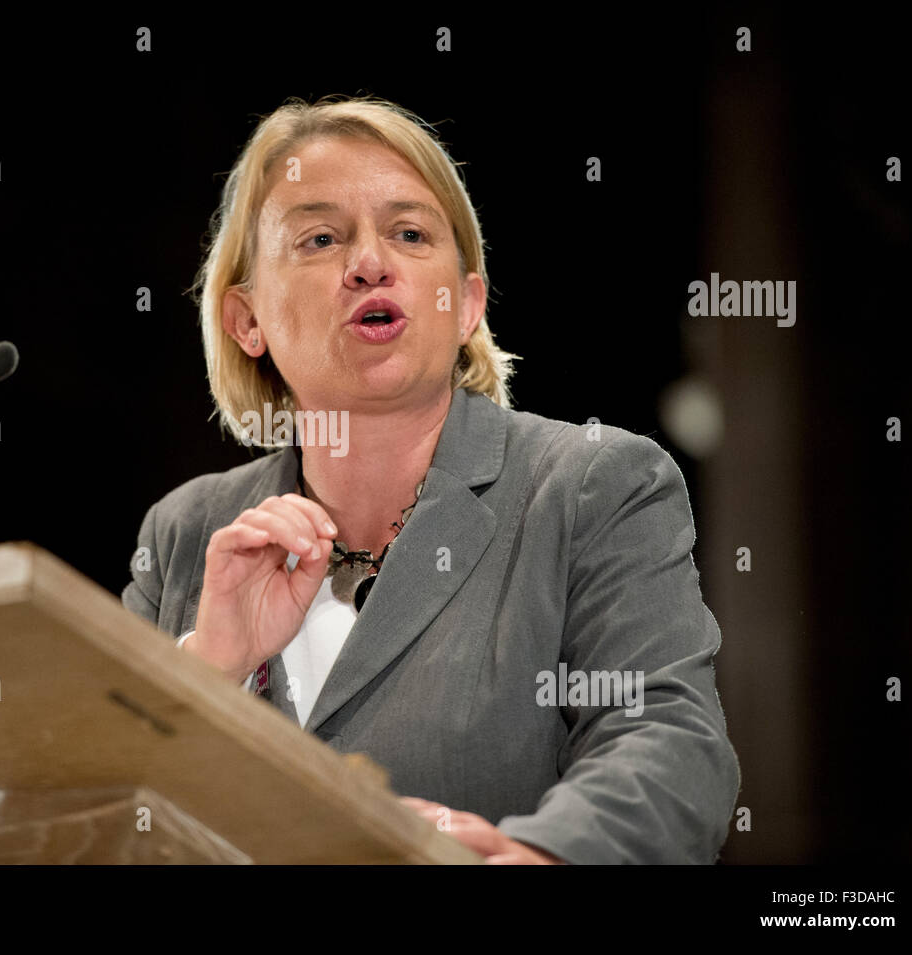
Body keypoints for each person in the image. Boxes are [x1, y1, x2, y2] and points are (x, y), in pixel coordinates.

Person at [122, 95, 740, 864]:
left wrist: (539, 856)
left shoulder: (590, 486)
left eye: (410, 233)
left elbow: (667, 743)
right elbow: (100, 816)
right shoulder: (186, 532)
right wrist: (205, 671)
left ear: (466, 305)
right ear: (246, 319)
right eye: (320, 237)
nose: (370, 263)